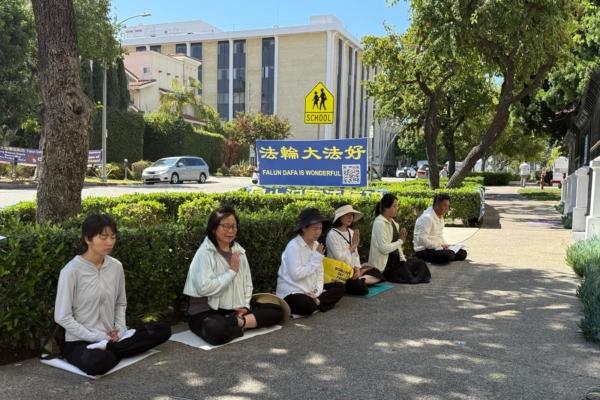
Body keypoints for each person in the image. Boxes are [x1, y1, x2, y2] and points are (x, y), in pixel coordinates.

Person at [54, 214, 171, 376]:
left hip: (113, 336)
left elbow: (120, 303)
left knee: (162, 330)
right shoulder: (71, 271)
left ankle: (113, 349)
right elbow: (62, 317)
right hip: (81, 340)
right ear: (88, 239)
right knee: (96, 362)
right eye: (103, 237)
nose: (109, 242)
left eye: (113, 237)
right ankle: (114, 350)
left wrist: (121, 329)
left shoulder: (116, 266)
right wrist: (97, 336)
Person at [184, 206, 284, 345]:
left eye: (234, 226)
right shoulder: (205, 253)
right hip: (206, 311)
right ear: (214, 228)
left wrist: (245, 306)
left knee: (277, 311)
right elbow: (204, 288)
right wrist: (231, 271)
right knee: (216, 331)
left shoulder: (238, 251)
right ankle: (238, 325)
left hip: (233, 310)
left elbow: (248, 284)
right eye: (225, 226)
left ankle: (238, 322)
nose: (230, 231)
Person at [276, 208, 345, 316]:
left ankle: (317, 302)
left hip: (311, 291)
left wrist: (317, 292)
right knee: (305, 305)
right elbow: (296, 275)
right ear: (304, 228)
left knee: (340, 287)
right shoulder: (293, 247)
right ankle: (318, 303)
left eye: (320, 228)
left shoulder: (316, 245)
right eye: (314, 229)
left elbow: (320, 272)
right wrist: (316, 258)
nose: (318, 232)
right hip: (293, 291)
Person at [369, 193, 431, 284]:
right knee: (409, 276)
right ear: (386, 208)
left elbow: (398, 247)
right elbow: (384, 249)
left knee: (420, 264)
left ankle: (410, 274)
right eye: (394, 206)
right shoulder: (379, 223)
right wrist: (400, 241)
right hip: (386, 265)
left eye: (397, 206)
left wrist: (403, 259)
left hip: (397, 260)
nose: (396, 209)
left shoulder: (393, 222)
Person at [326, 205, 383, 294]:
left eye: (352, 215)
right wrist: (353, 246)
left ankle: (360, 279)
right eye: (347, 215)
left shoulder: (351, 232)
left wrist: (357, 269)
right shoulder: (332, 234)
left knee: (377, 273)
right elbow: (339, 258)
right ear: (339, 217)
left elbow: (356, 255)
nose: (350, 217)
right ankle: (358, 282)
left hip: (353, 271)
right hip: (340, 273)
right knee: (362, 289)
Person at [414, 194, 468, 264]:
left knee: (463, 253)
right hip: (424, 251)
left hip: (436, 248)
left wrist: (445, 245)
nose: (447, 208)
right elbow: (422, 240)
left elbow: (439, 235)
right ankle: (448, 254)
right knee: (447, 255)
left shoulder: (440, 216)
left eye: (448, 206)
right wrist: (439, 245)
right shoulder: (427, 218)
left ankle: (449, 253)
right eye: (445, 205)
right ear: (437, 205)